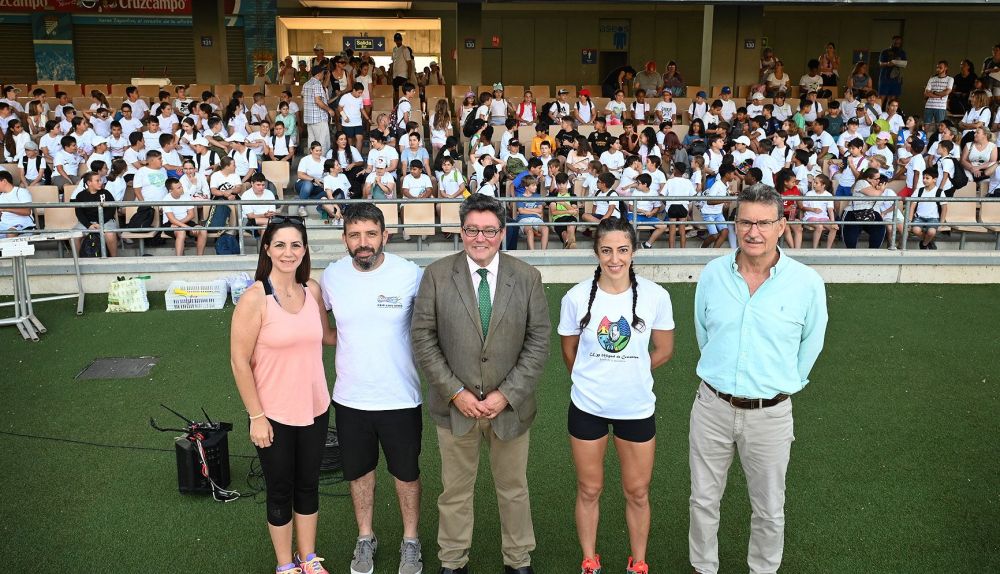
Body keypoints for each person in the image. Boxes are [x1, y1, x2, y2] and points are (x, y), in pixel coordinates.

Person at [690, 183, 828, 574]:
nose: (754, 232)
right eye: (746, 222)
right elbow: (704, 333)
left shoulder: (806, 282)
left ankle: (763, 569)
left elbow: (812, 343)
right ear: (735, 224)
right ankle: (703, 567)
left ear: (781, 226)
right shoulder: (713, 274)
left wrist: (782, 384)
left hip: (771, 413)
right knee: (703, 500)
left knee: (769, 507)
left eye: (763, 223)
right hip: (712, 406)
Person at [411, 193, 550, 574]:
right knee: (455, 492)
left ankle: (518, 560)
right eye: (472, 230)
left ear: (502, 233)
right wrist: (456, 393)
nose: (480, 238)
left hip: (510, 409)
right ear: (461, 231)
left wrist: (506, 394)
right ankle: (453, 561)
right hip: (456, 409)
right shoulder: (437, 275)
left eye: (489, 230)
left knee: (514, 489)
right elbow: (423, 338)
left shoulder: (527, 277)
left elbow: (538, 342)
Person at [558, 216, 675, 574]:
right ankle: (589, 560)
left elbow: (664, 349)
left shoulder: (656, 296)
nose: (615, 259)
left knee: (637, 491)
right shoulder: (576, 297)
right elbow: (569, 352)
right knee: (589, 488)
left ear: (633, 251)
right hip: (587, 408)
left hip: (636, 408)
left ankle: (638, 562)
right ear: (596, 252)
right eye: (606, 250)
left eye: (622, 250)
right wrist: (595, 377)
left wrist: (631, 371)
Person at [318, 203, 425, 574]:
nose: (363, 242)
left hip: (401, 397)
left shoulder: (410, 274)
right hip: (351, 399)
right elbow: (325, 332)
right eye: (354, 235)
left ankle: (411, 540)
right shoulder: (332, 276)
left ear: (385, 235)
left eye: (370, 234)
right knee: (359, 473)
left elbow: (430, 327)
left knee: (406, 474)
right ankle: (365, 537)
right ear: (344, 239)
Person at [230, 215, 335, 574]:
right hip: (272, 414)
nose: (288, 252)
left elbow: (328, 336)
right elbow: (239, 361)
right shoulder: (255, 298)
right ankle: (285, 565)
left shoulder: (313, 290)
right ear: (267, 249)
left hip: (315, 408)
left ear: (304, 250)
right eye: (280, 245)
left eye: (295, 245)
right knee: (280, 489)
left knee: (308, 485)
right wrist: (256, 416)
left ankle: (308, 559)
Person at [303, 65, 335, 154]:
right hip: (318, 118)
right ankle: (321, 160)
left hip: (309, 119)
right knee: (322, 142)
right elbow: (318, 101)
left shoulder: (306, 84)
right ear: (319, 74)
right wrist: (329, 110)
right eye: (323, 73)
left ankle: (311, 159)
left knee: (312, 142)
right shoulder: (317, 84)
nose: (323, 75)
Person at [0, 170, 36, 238]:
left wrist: (6, 209)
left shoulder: (21, 192)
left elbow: (27, 212)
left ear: (4, 181)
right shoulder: (1, 196)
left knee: (10, 232)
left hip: (22, 224)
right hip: (4, 224)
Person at [923, 60, 953, 127]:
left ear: (946, 68)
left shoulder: (950, 79)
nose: (938, 69)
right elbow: (926, 93)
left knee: (939, 127)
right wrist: (939, 95)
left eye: (940, 67)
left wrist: (933, 92)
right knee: (926, 126)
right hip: (929, 105)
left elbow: (947, 92)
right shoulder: (932, 79)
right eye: (937, 67)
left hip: (941, 107)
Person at [391, 33, 415, 100]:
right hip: (395, 75)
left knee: (402, 93)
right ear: (394, 40)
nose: (398, 41)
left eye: (399, 40)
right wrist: (391, 74)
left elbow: (409, 64)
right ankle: (397, 105)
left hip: (403, 75)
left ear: (401, 40)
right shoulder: (394, 49)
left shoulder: (405, 49)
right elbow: (393, 62)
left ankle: (402, 104)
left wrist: (409, 76)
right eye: (397, 40)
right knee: (396, 92)